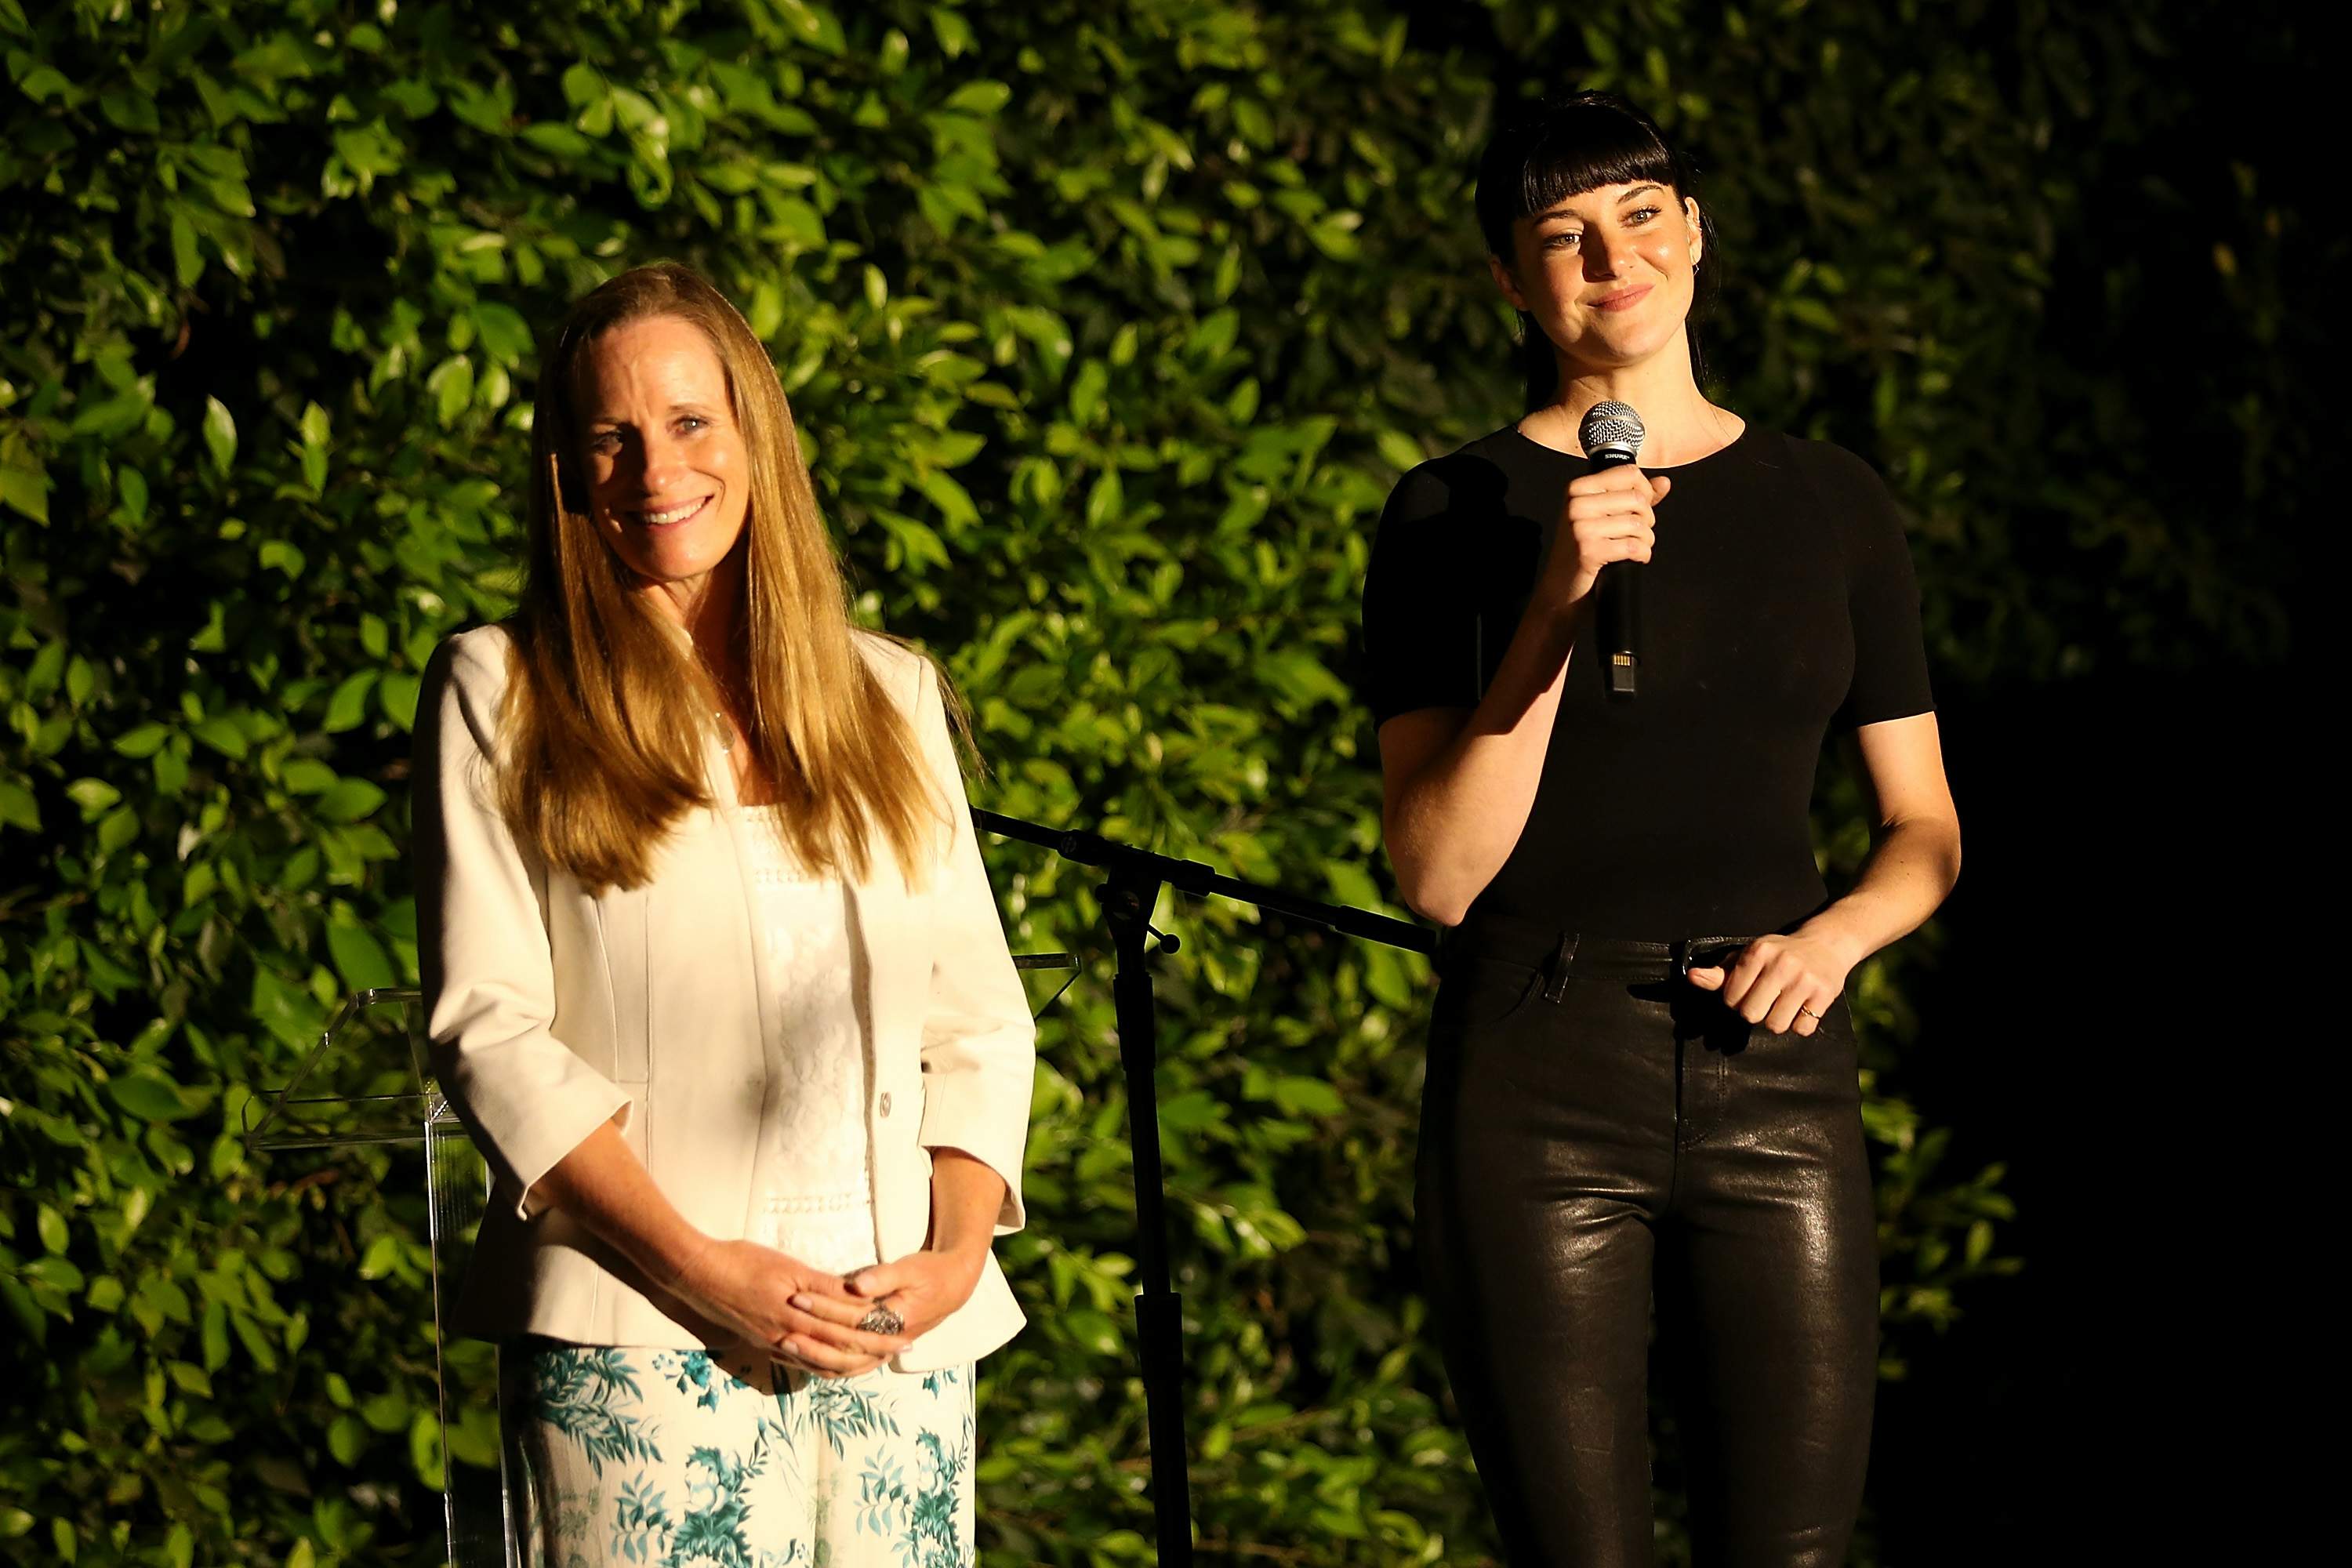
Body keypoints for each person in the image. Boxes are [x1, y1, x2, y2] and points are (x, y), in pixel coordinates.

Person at [1362, 94, 1962, 1567]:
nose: (1608, 255)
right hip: (1541, 1068)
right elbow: (1438, 876)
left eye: (1638, 215)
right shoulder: (1452, 510)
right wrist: (1553, 612)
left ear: (1693, 233)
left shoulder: (1830, 503)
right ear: (1513, 281)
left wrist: (1833, 940)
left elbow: (1925, 828)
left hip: (1777, 1071)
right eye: (1561, 233)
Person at [412, 261, 1035, 1568]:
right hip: (642, 1335)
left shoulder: (888, 693)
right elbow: (489, 1028)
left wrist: (957, 1255)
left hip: (894, 1340)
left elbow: (977, 1018)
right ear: (569, 472)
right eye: (612, 437)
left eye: (691, 423)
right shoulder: (505, 685)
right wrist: (702, 1268)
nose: (656, 470)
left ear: (755, 436)